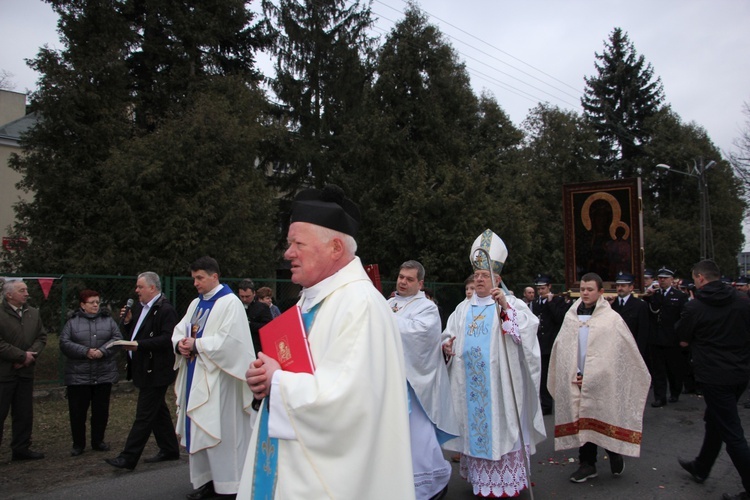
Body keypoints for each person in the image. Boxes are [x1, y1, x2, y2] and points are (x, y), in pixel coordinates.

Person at [239, 185, 414, 499]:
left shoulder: (360, 305)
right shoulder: (309, 301)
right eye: (289, 242)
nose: (287, 253)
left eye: (297, 243)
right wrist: (266, 383)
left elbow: (346, 405)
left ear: (335, 248)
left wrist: (276, 380)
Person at [441, 229, 545, 498]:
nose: (479, 280)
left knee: (501, 429)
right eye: (476, 275)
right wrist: (447, 345)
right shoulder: (463, 308)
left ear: (497, 279)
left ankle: (506, 481)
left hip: (499, 386)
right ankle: (481, 480)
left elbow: (524, 335)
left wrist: (506, 310)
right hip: (471, 385)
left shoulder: (510, 303)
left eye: (484, 276)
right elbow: (449, 334)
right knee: (475, 428)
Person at [548, 272, 651, 483]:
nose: (585, 293)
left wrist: (593, 375)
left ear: (601, 292)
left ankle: (613, 452)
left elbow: (616, 354)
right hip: (576, 376)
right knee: (582, 419)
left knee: (602, 415)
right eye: (583, 289)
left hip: (602, 377)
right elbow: (564, 348)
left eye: (590, 290)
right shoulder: (571, 315)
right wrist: (573, 372)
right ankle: (587, 465)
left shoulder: (611, 319)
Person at [173, 257, 256, 499]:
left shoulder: (230, 303)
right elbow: (181, 330)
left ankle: (229, 485)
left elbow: (232, 343)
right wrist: (180, 344)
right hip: (196, 374)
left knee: (222, 432)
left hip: (221, 380)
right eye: (194, 279)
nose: (195, 283)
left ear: (214, 276)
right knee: (200, 429)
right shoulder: (196, 304)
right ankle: (207, 481)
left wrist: (197, 344)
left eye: (199, 278)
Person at [676, 260, 750, 500]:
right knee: (715, 420)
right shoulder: (743, 301)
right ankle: (702, 466)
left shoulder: (695, 307)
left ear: (699, 278)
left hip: (714, 376)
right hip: (740, 373)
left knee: (732, 433)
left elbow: (683, 338)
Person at [388, 260, 458, 500]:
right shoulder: (388, 304)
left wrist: (382, 318)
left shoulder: (426, 308)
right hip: (391, 382)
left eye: (409, 279)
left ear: (420, 283)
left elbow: (420, 336)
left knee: (418, 437)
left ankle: (433, 483)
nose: (403, 282)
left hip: (415, 385)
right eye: (400, 277)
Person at [105, 272, 181, 471]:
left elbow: (167, 339)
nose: (136, 291)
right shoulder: (141, 309)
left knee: (144, 415)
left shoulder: (165, 310)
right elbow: (137, 334)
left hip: (157, 370)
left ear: (152, 288)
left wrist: (140, 345)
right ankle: (170, 448)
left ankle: (128, 457)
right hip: (143, 369)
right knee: (158, 412)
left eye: (140, 287)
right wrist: (129, 322)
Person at [60, 289, 122, 456]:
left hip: (103, 374)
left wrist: (102, 351)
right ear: (82, 305)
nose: (96, 305)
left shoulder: (108, 320)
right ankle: (78, 444)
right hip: (78, 376)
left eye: (97, 302)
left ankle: (98, 441)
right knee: (78, 412)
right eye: (91, 302)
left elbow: (117, 338)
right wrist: (85, 351)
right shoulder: (72, 322)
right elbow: (64, 343)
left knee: (101, 411)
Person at [0, 279, 47, 460]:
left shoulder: (33, 314)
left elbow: (42, 338)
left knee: (24, 414)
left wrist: (29, 357)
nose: (27, 293)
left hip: (25, 372)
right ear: (9, 294)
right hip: (4, 374)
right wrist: (21, 356)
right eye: (22, 290)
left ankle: (21, 449)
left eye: (26, 290)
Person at [642, 266, 688, 407]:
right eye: (660, 278)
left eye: (665, 278)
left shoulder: (679, 296)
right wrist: (648, 297)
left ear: (671, 280)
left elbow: (683, 318)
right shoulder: (653, 295)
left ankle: (675, 392)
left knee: (673, 369)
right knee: (658, 371)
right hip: (656, 338)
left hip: (672, 339)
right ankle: (660, 397)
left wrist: (682, 337)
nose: (662, 280)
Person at [531, 273, 571, 415]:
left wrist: (550, 303)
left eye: (543, 288)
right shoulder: (535, 303)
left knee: (554, 376)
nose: (540, 291)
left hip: (552, 343)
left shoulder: (558, 301)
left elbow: (559, 318)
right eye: (539, 289)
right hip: (540, 344)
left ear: (549, 287)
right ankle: (545, 405)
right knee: (542, 376)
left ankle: (557, 404)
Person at [609, 271, 651, 368]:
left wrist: (639, 352)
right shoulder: (611, 304)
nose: (620, 288)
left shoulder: (640, 305)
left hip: (632, 349)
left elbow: (643, 332)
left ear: (631, 287)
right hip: (614, 349)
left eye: (623, 286)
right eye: (618, 286)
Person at [237, 279, 273, 356]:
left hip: (256, 347)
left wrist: (249, 324)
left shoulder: (262, 308)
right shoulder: (236, 306)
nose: (244, 299)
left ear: (254, 294)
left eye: (247, 296)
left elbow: (269, 327)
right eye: (242, 296)